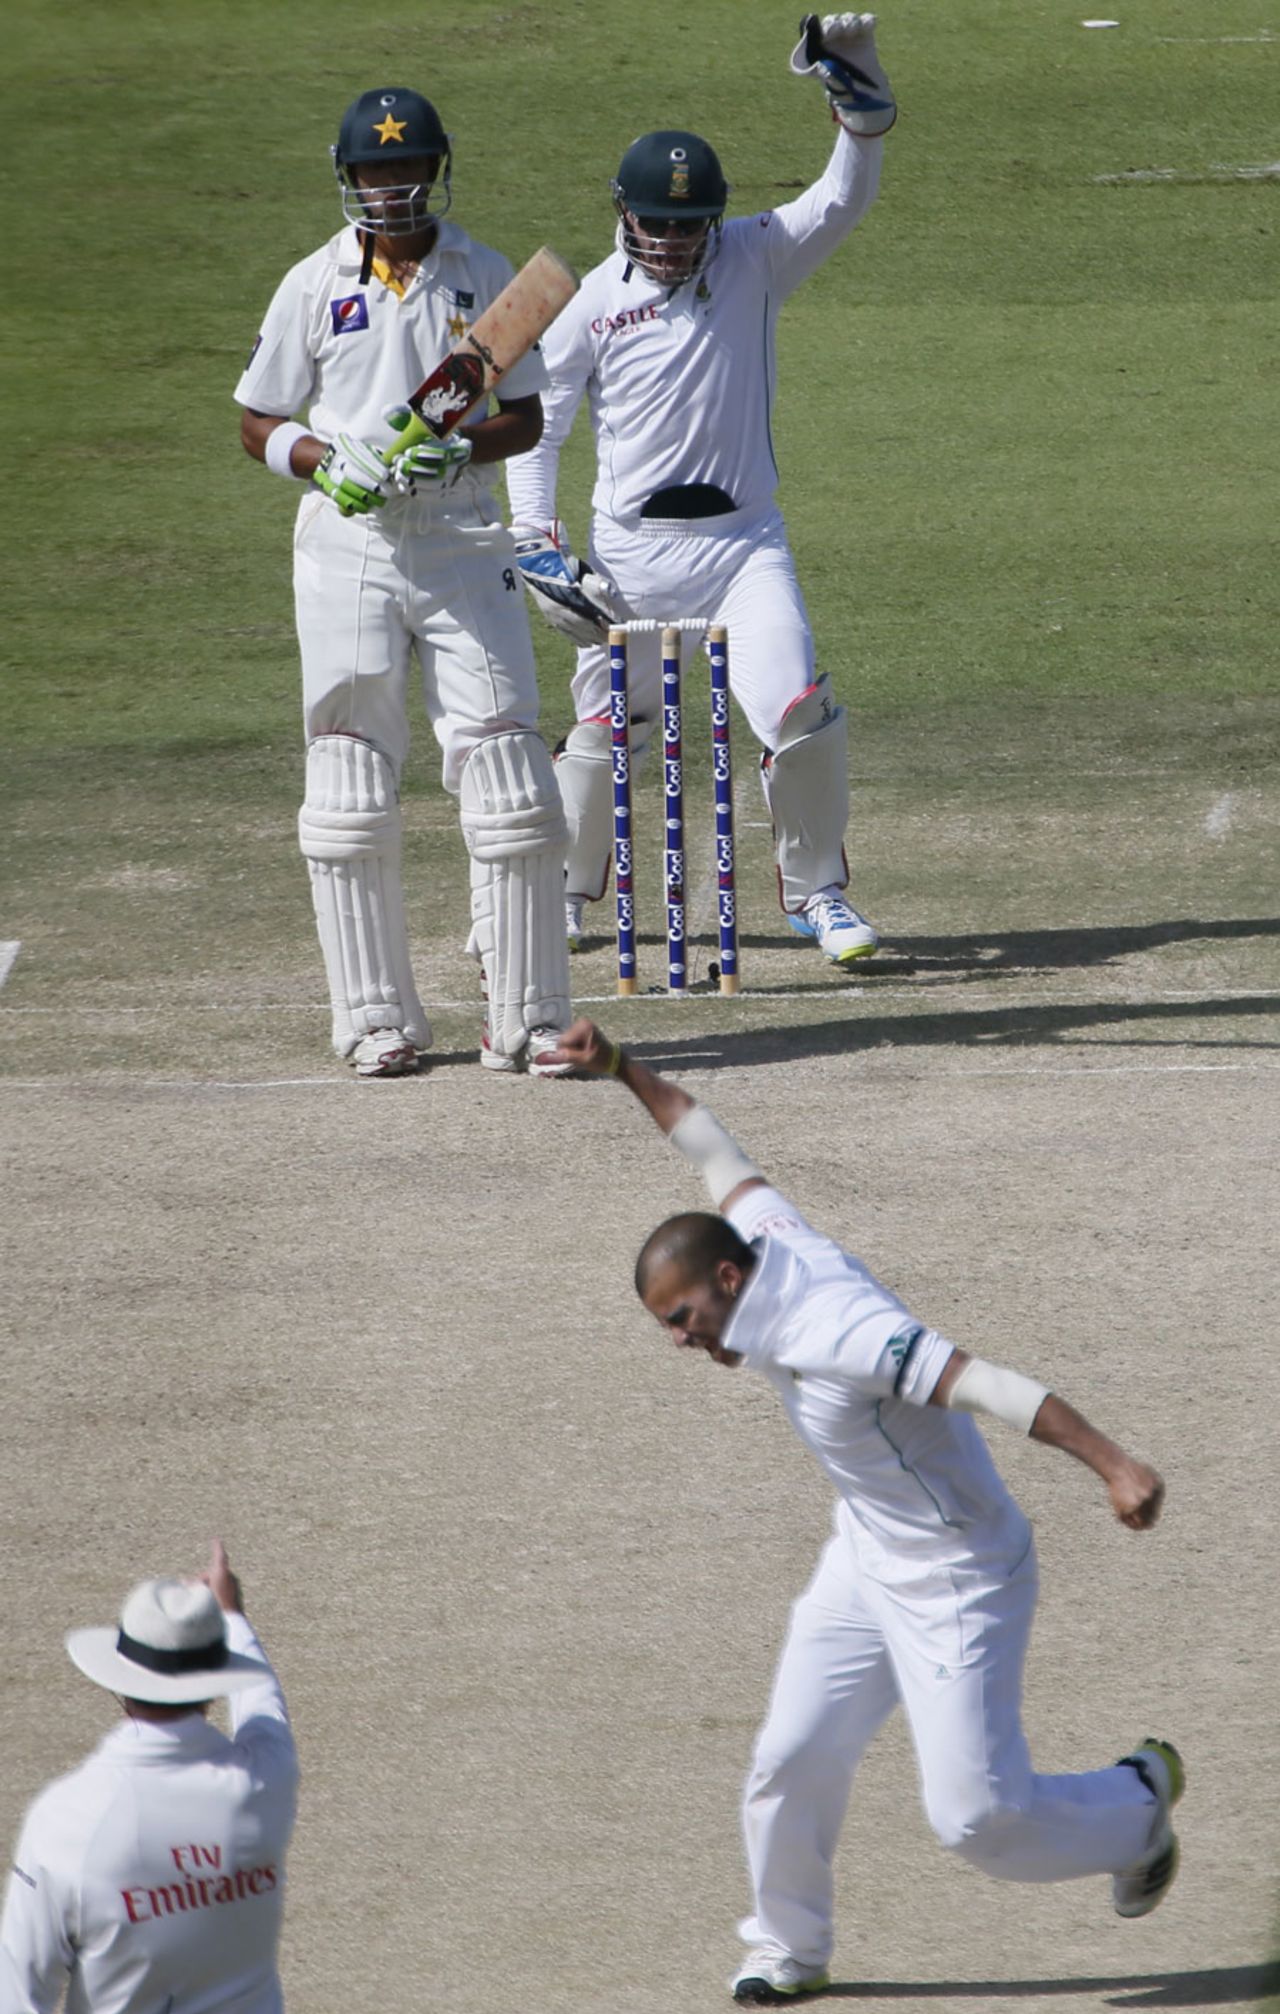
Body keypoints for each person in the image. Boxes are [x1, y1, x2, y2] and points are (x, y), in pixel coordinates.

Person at [545, 1019, 1185, 2007]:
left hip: (959, 1572)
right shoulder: (762, 1240)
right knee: (790, 1758)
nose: (678, 1340)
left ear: (727, 1280)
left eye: (681, 1318)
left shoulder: (843, 1331)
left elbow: (984, 1383)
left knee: (975, 1820)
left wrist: (1112, 1463)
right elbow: (706, 1142)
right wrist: (622, 1067)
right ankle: (788, 1949)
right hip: (865, 1550)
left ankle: (1135, 1805)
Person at [505, 15, 897, 969]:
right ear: (623, 213)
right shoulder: (588, 304)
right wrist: (534, 539)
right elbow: (541, 428)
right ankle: (563, 897)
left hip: (743, 546)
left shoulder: (756, 256)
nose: (676, 241)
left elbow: (842, 199)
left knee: (798, 710)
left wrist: (861, 105)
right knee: (606, 733)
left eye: (690, 224)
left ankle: (818, 894)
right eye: (659, 223)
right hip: (630, 554)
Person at [236, 85, 572, 1078]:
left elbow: (525, 418)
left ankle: (527, 1019)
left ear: (435, 171)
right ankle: (373, 1019)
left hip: (462, 539)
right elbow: (256, 420)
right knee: (346, 783)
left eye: (408, 166)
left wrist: (462, 446)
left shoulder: (488, 274)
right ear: (349, 177)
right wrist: (319, 460)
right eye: (376, 169)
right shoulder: (311, 285)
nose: (392, 185)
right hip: (350, 545)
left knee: (510, 775)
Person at [1, 1540, 298, 2013]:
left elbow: (17, 1993)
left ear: (121, 1683)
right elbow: (265, 1708)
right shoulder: (267, 1777)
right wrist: (232, 1617)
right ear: (213, 1684)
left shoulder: (66, 1818)